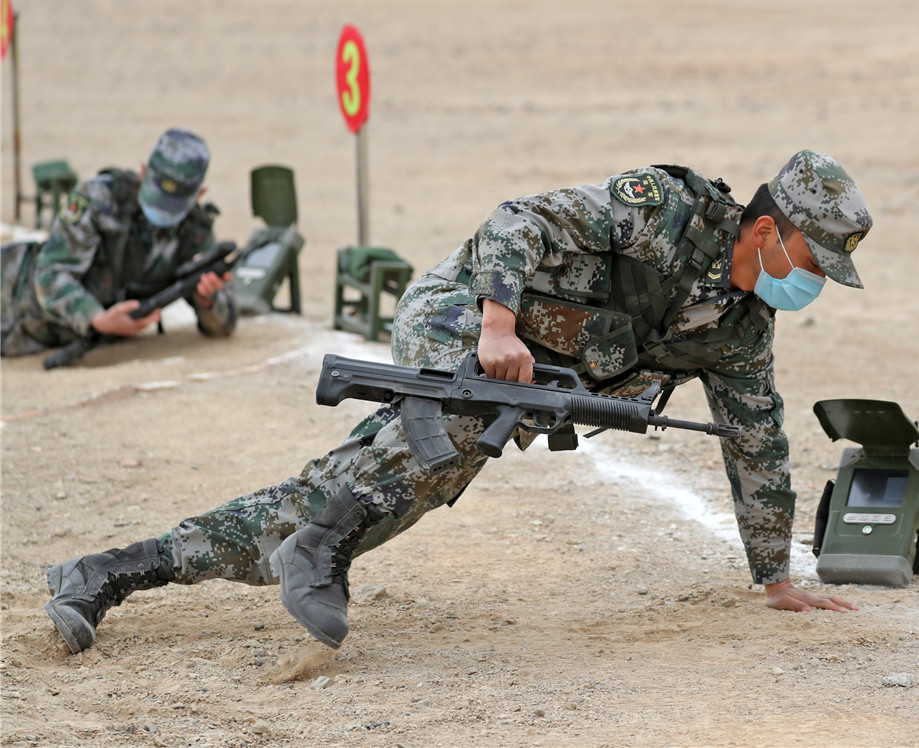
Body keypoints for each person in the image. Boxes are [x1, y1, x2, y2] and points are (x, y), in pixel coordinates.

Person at [43, 150, 871, 655]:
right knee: (459, 426)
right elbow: (519, 222)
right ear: (767, 232)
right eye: (813, 259)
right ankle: (323, 549)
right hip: (463, 312)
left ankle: (105, 575)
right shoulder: (663, 210)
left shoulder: (740, 331)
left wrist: (775, 576)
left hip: (521, 378)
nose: (814, 282)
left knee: (326, 500)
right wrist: (500, 323)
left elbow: (754, 438)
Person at [1, 128, 236, 359]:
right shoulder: (98, 199)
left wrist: (207, 300)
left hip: (38, 338)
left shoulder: (194, 233)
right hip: (10, 293)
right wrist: (95, 318)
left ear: (200, 194)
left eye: (174, 201)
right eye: (157, 193)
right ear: (143, 172)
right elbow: (50, 275)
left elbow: (224, 325)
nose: (162, 209)